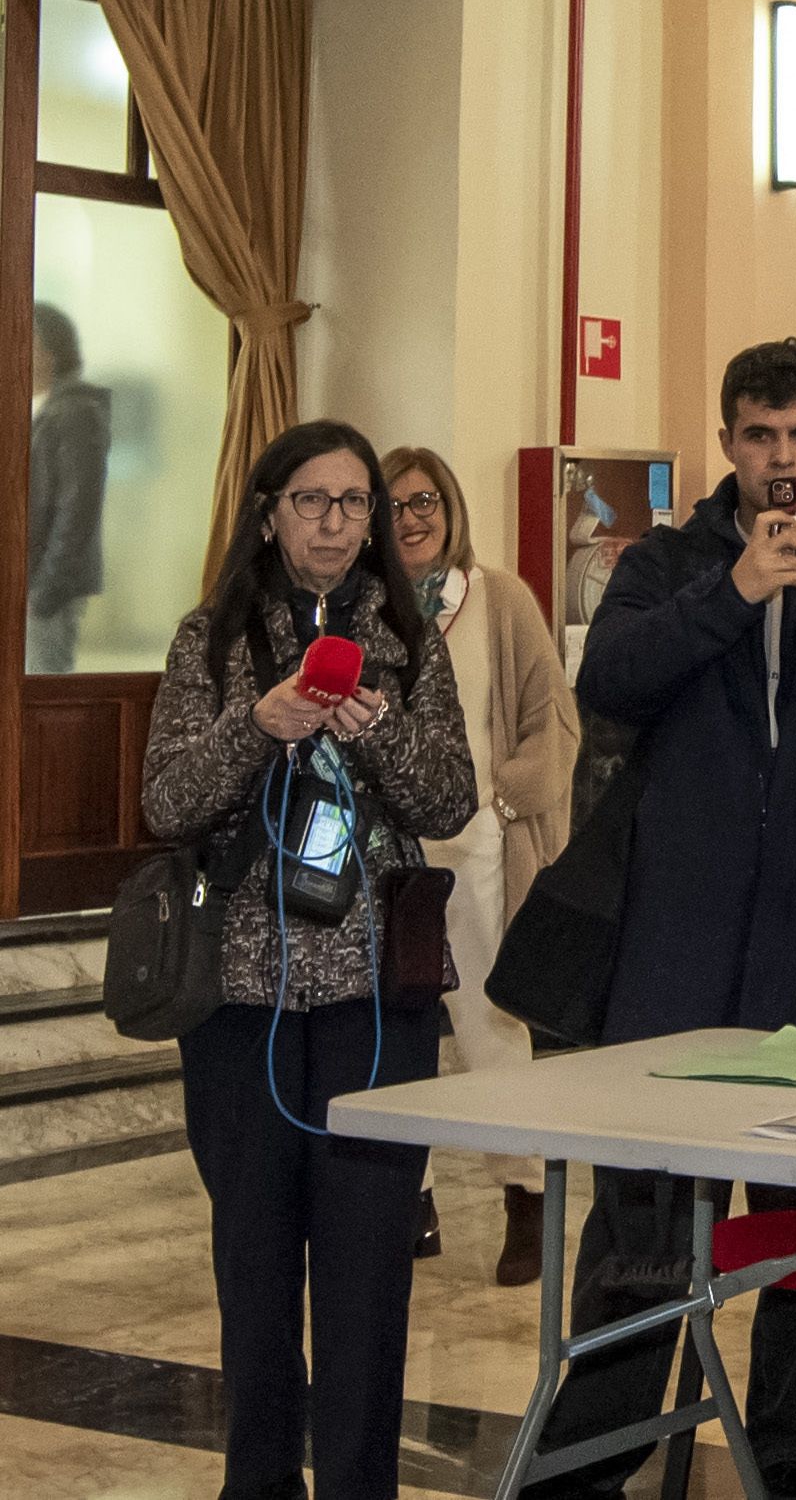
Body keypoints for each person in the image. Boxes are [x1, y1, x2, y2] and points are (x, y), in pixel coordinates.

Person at [532, 339, 796, 1499]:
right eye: (758, 437)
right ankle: (593, 1448)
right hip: (674, 952)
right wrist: (734, 592)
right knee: (641, 1228)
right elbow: (612, 677)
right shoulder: (672, 559)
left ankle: (787, 1447)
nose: (781, 461)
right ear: (727, 439)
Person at [141, 420, 476, 1500]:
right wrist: (261, 722)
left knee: (368, 1279)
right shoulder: (211, 639)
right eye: (313, 500)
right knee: (254, 1270)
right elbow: (167, 799)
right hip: (240, 1007)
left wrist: (373, 728)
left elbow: (450, 797)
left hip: (376, 1005)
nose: (336, 522)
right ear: (269, 511)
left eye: (355, 503)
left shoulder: (410, 639)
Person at [382, 444, 579, 1286]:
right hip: (390, 857)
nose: (412, 519)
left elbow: (554, 722)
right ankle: (409, 1199)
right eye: (392, 507)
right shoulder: (370, 610)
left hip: (481, 850)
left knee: (493, 1028)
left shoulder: (499, 600)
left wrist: (500, 801)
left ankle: (525, 1200)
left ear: (450, 507)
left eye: (425, 500)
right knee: (394, 1030)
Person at [26, 302, 109, 674]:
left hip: (45, 586)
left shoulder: (74, 411)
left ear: (50, 352)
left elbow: (77, 510)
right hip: (24, 578)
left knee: (41, 690)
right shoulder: (28, 405)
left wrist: (46, 591)